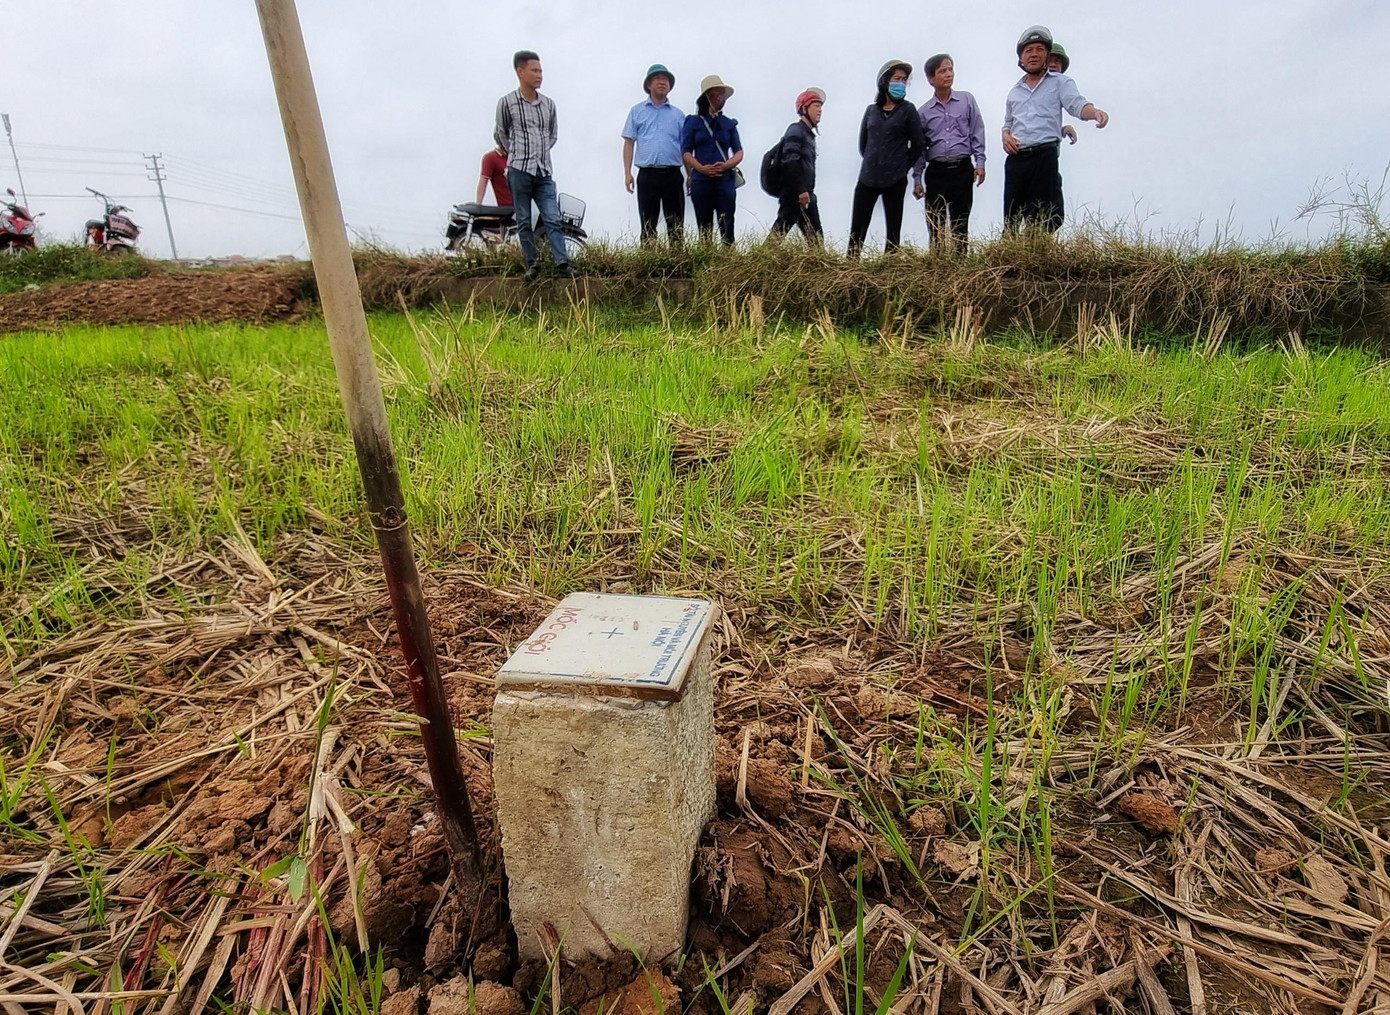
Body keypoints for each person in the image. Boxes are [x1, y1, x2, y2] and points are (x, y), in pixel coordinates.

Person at [1001, 25, 1109, 234]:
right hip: (1016, 158)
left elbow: (1076, 104)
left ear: (1047, 54)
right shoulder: (1015, 92)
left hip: (1044, 155)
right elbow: (1008, 123)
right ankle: (1010, 252)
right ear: (1021, 58)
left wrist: (1095, 112)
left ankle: (1037, 250)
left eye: (1039, 49)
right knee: (1011, 218)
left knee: (1042, 217)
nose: (1034, 54)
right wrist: (1005, 135)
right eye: (1028, 50)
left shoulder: (1060, 82)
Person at [494, 49, 574, 279]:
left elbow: (552, 134)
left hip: (544, 170)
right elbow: (500, 133)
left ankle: (562, 263)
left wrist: (540, 152)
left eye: (541, 71)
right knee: (523, 219)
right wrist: (517, 152)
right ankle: (532, 264)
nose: (539, 75)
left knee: (552, 217)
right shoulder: (507, 102)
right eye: (534, 70)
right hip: (519, 169)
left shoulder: (548, 104)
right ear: (520, 71)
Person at [847, 60, 925, 257]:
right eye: (897, 79)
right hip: (867, 178)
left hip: (895, 180)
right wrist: (873, 160)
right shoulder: (871, 111)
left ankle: (890, 267)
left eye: (904, 80)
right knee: (857, 231)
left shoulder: (908, 110)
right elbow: (863, 145)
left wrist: (902, 166)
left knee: (893, 233)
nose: (901, 83)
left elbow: (918, 144)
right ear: (885, 82)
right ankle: (850, 268)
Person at [910, 53, 986, 253]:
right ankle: (937, 262)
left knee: (960, 222)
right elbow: (919, 149)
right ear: (931, 79)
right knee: (935, 223)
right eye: (942, 71)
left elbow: (977, 131)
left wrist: (980, 163)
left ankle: (960, 264)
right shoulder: (924, 112)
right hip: (937, 172)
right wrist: (917, 179)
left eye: (950, 69)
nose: (948, 74)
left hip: (962, 168)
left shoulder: (966, 100)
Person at [622, 64, 687, 245]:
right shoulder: (637, 111)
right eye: (657, 78)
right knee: (648, 223)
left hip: (673, 175)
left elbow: (685, 148)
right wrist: (627, 173)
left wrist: (690, 175)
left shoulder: (678, 115)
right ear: (649, 84)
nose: (662, 82)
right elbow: (629, 143)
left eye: (665, 79)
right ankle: (648, 259)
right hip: (647, 175)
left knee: (676, 224)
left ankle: (678, 260)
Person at [681, 75, 743, 246]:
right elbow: (686, 152)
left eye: (723, 94)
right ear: (707, 96)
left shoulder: (729, 124)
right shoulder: (693, 122)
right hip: (701, 181)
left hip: (724, 180)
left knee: (727, 224)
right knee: (704, 227)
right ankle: (706, 259)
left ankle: (728, 257)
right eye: (717, 93)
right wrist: (700, 168)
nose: (721, 98)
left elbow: (739, 152)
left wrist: (726, 165)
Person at [769, 88, 825, 243]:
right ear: (804, 109)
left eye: (820, 106)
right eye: (816, 106)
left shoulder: (808, 135)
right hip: (795, 194)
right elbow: (790, 161)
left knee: (816, 239)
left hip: (806, 195)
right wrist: (801, 190)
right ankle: (759, 257)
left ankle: (818, 262)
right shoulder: (796, 130)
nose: (820, 110)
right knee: (779, 233)